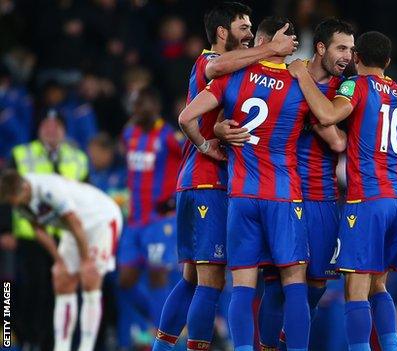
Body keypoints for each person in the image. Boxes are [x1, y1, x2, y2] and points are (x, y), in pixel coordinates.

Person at [152, 2, 298, 350]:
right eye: (243, 27)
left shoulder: (234, 73)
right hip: (208, 182)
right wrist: (205, 143)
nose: (249, 35)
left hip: (195, 182)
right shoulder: (209, 62)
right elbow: (213, 75)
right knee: (211, 282)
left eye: (251, 28)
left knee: (191, 279)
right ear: (222, 32)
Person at [214, 18, 353, 350]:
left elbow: (344, 139)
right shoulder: (284, 75)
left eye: (352, 49)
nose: (348, 56)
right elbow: (231, 111)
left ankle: (289, 337)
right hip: (285, 194)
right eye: (342, 48)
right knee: (279, 284)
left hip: (321, 196)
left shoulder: (344, 88)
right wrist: (219, 130)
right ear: (321, 48)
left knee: (316, 285)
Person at [288, 30, 397, 351]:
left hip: (369, 200)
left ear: (357, 58)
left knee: (355, 289)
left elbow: (329, 114)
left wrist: (302, 76)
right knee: (379, 285)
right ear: (387, 61)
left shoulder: (356, 85)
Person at [0, 170, 123, 351]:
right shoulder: (19, 201)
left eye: (14, 200)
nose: (14, 205)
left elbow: (74, 222)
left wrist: (86, 260)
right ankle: (62, 347)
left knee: (90, 279)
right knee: (62, 279)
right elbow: (38, 229)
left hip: (100, 220)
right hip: (73, 229)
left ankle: (86, 347)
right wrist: (59, 260)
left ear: (24, 188)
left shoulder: (49, 190)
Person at [8, 112, 88, 351]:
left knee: (61, 291)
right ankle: (24, 339)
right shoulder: (21, 154)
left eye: (57, 126)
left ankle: (52, 343)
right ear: (39, 128)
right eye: (46, 124)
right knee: (27, 290)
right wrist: (4, 230)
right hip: (30, 236)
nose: (51, 130)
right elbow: (6, 193)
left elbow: (87, 197)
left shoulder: (78, 158)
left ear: (64, 131)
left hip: (66, 235)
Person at [117, 87, 183, 333]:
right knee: (125, 281)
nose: (137, 110)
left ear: (154, 108)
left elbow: (188, 159)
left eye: (142, 105)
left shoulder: (169, 136)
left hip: (159, 221)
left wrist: (175, 197)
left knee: (157, 276)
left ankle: (162, 336)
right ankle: (166, 325)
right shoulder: (128, 134)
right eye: (135, 105)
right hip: (134, 221)